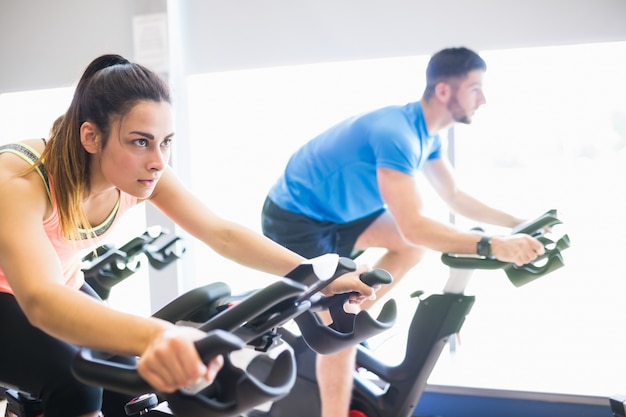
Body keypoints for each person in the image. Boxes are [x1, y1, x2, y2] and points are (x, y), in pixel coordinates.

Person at [0, 54, 378, 417]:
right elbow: (41, 300)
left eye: (165, 141)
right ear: (91, 137)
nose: (159, 160)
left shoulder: (141, 174)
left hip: (60, 283)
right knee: (76, 381)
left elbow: (221, 233)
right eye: (140, 141)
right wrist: (157, 335)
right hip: (20, 294)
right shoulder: (19, 183)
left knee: (128, 384)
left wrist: (316, 273)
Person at [261, 46, 546, 417]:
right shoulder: (397, 134)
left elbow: (456, 197)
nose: (484, 99)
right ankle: (343, 332)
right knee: (343, 332)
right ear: (444, 90)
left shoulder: (428, 134)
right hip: (295, 218)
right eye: (476, 88)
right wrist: (494, 246)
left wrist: (517, 225)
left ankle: (356, 304)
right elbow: (414, 224)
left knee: (409, 250)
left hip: (343, 216)